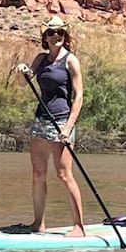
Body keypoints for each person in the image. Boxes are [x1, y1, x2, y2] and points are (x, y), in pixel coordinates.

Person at [15, 15, 85, 236]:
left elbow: (79, 96)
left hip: (62, 121)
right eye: (51, 33)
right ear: (45, 37)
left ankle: (79, 227)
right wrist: (23, 71)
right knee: (38, 173)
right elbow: (26, 79)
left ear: (65, 36)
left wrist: (68, 128)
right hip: (41, 121)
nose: (56, 37)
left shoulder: (70, 60)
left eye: (60, 33)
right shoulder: (41, 59)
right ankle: (38, 223)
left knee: (64, 175)